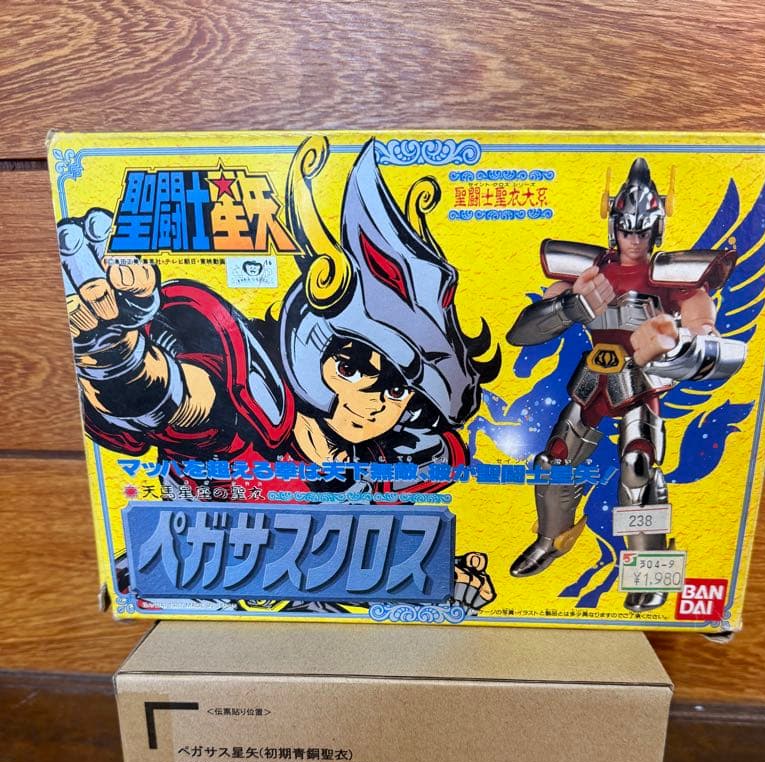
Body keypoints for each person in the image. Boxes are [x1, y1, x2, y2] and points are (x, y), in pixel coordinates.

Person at [58, 136, 501, 612]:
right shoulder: (259, 404)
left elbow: (366, 553)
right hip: (202, 592)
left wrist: (436, 575)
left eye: (395, 389)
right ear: (313, 350)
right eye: (350, 368)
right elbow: (186, 399)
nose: (370, 402)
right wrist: (115, 358)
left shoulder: (393, 461)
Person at [506, 158, 745, 611]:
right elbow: (522, 333)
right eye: (626, 229)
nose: (633, 239)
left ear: (657, 228)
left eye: (642, 230)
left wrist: (681, 341)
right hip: (593, 379)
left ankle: (649, 571)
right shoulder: (587, 270)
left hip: (641, 381)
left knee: (639, 468)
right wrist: (570, 308)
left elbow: (705, 329)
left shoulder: (674, 276)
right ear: (613, 224)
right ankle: (552, 539)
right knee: (554, 460)